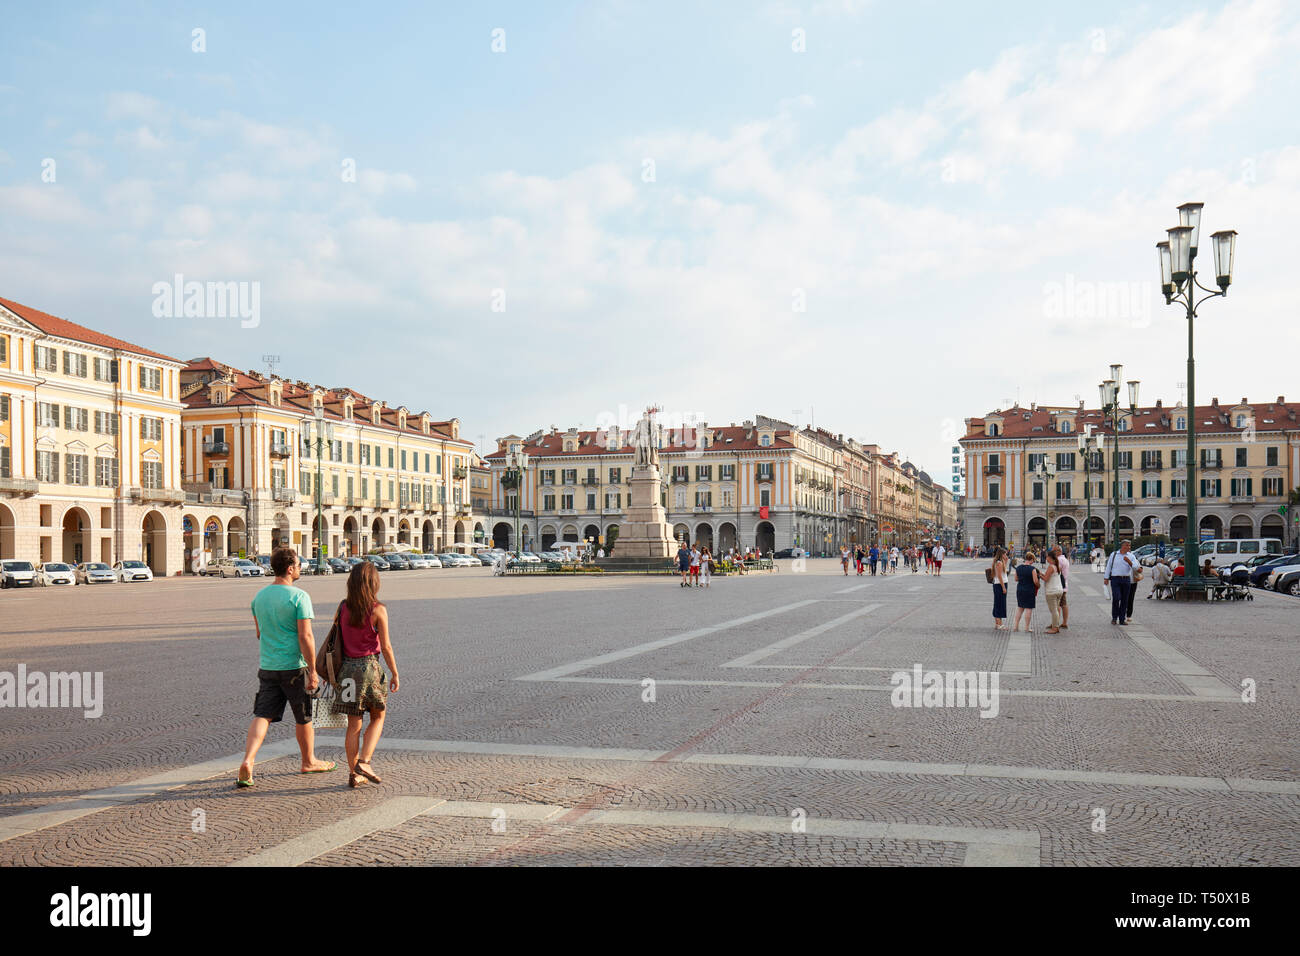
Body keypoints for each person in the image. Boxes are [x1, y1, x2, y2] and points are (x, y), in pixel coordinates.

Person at [236, 548, 336, 788]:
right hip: (294, 668)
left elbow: (260, 634)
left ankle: (248, 761)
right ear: (290, 569)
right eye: (299, 565)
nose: (301, 569)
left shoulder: (258, 598)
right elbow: (306, 636)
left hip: (268, 667)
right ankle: (308, 761)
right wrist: (313, 670)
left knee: (263, 715)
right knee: (304, 718)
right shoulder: (299, 597)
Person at [333, 561, 399, 788]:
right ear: (374, 583)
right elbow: (387, 647)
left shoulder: (342, 607)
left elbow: (337, 640)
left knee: (353, 725)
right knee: (378, 716)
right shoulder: (378, 609)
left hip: (347, 670)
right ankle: (365, 762)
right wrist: (395, 673)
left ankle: (354, 773)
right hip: (369, 669)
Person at [1103, 540, 1139, 625]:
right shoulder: (1114, 554)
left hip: (1126, 579)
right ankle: (1114, 617)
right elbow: (1109, 566)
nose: (1129, 547)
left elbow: (1136, 567)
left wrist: (1129, 562)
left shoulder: (1131, 556)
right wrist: (1106, 577)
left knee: (1124, 600)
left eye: (1129, 546)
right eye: (1127, 545)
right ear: (1122, 546)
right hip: (1115, 579)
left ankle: (1122, 619)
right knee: (1116, 597)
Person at [1012, 548, 1040, 632]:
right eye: (1033, 560)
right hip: (1029, 590)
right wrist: (1038, 585)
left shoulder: (1018, 568)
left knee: (1020, 608)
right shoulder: (1032, 569)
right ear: (1031, 559)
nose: (1033, 562)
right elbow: (1035, 581)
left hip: (1020, 589)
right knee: (1028, 609)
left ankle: (1016, 626)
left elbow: (1016, 579)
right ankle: (1027, 627)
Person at [1042, 548, 1064, 633]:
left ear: (1050, 558)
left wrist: (1039, 575)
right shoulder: (1057, 566)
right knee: (1056, 609)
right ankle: (1055, 624)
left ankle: (1055, 628)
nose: (1046, 558)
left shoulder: (1051, 567)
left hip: (1052, 591)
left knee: (1053, 610)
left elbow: (1046, 579)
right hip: (1059, 590)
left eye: (1047, 557)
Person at [991, 547, 1009, 630]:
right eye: (1005, 554)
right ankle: (999, 624)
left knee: (999, 603)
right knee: (1000, 603)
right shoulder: (999, 563)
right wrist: (1003, 587)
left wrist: (1006, 560)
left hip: (998, 584)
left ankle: (998, 623)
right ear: (1001, 554)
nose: (1006, 555)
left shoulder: (999, 562)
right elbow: (999, 576)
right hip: (1000, 584)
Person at [1054, 546, 1070, 628]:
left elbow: (1056, 570)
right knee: (1064, 604)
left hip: (1059, 584)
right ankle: (1064, 622)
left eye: (1054, 551)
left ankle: (1056, 623)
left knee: (1058, 605)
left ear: (1058, 551)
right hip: (1064, 584)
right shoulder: (1065, 559)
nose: (1053, 553)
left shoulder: (1059, 560)